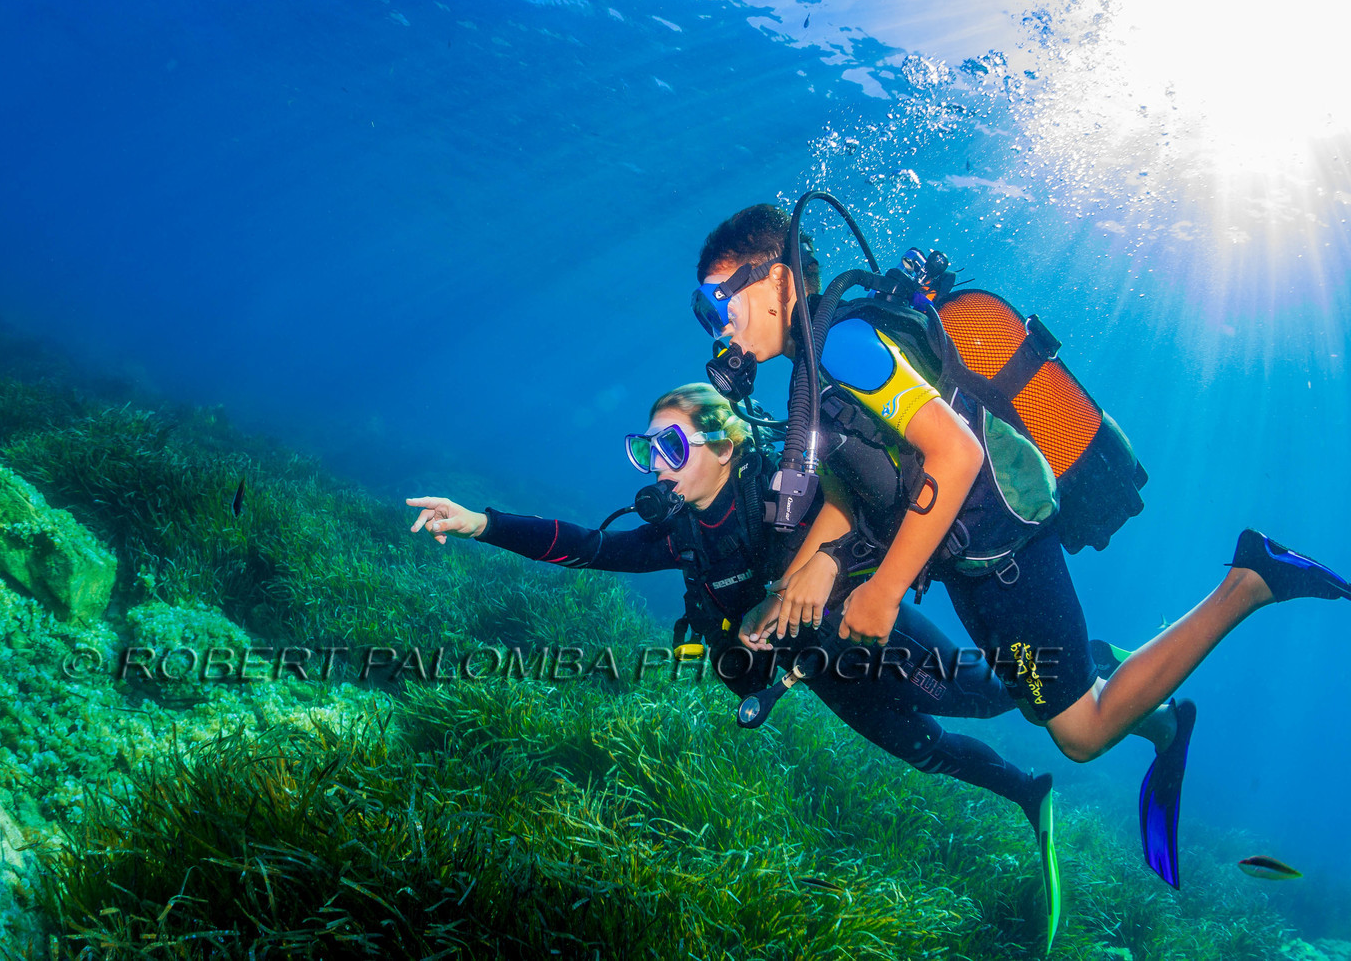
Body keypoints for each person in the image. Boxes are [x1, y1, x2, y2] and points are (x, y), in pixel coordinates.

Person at [691, 202, 1351, 893]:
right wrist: (786, 591)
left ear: (776, 278)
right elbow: (848, 493)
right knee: (1047, 701)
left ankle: (1250, 581)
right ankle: (1160, 722)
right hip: (970, 565)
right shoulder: (817, 365)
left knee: (1080, 734)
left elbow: (957, 454)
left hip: (1006, 557)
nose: (717, 328)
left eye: (718, 301)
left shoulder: (841, 346)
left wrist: (883, 589)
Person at [408, 383, 1062, 943]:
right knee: (925, 750)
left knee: (989, 695)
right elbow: (593, 546)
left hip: (869, 637)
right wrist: (481, 524)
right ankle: (1029, 793)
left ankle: (1082, 658)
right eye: (647, 451)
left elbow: (872, 517)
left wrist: (821, 582)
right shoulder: (679, 531)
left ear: (724, 445)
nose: (655, 468)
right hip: (815, 672)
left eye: (669, 449)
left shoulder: (784, 490)